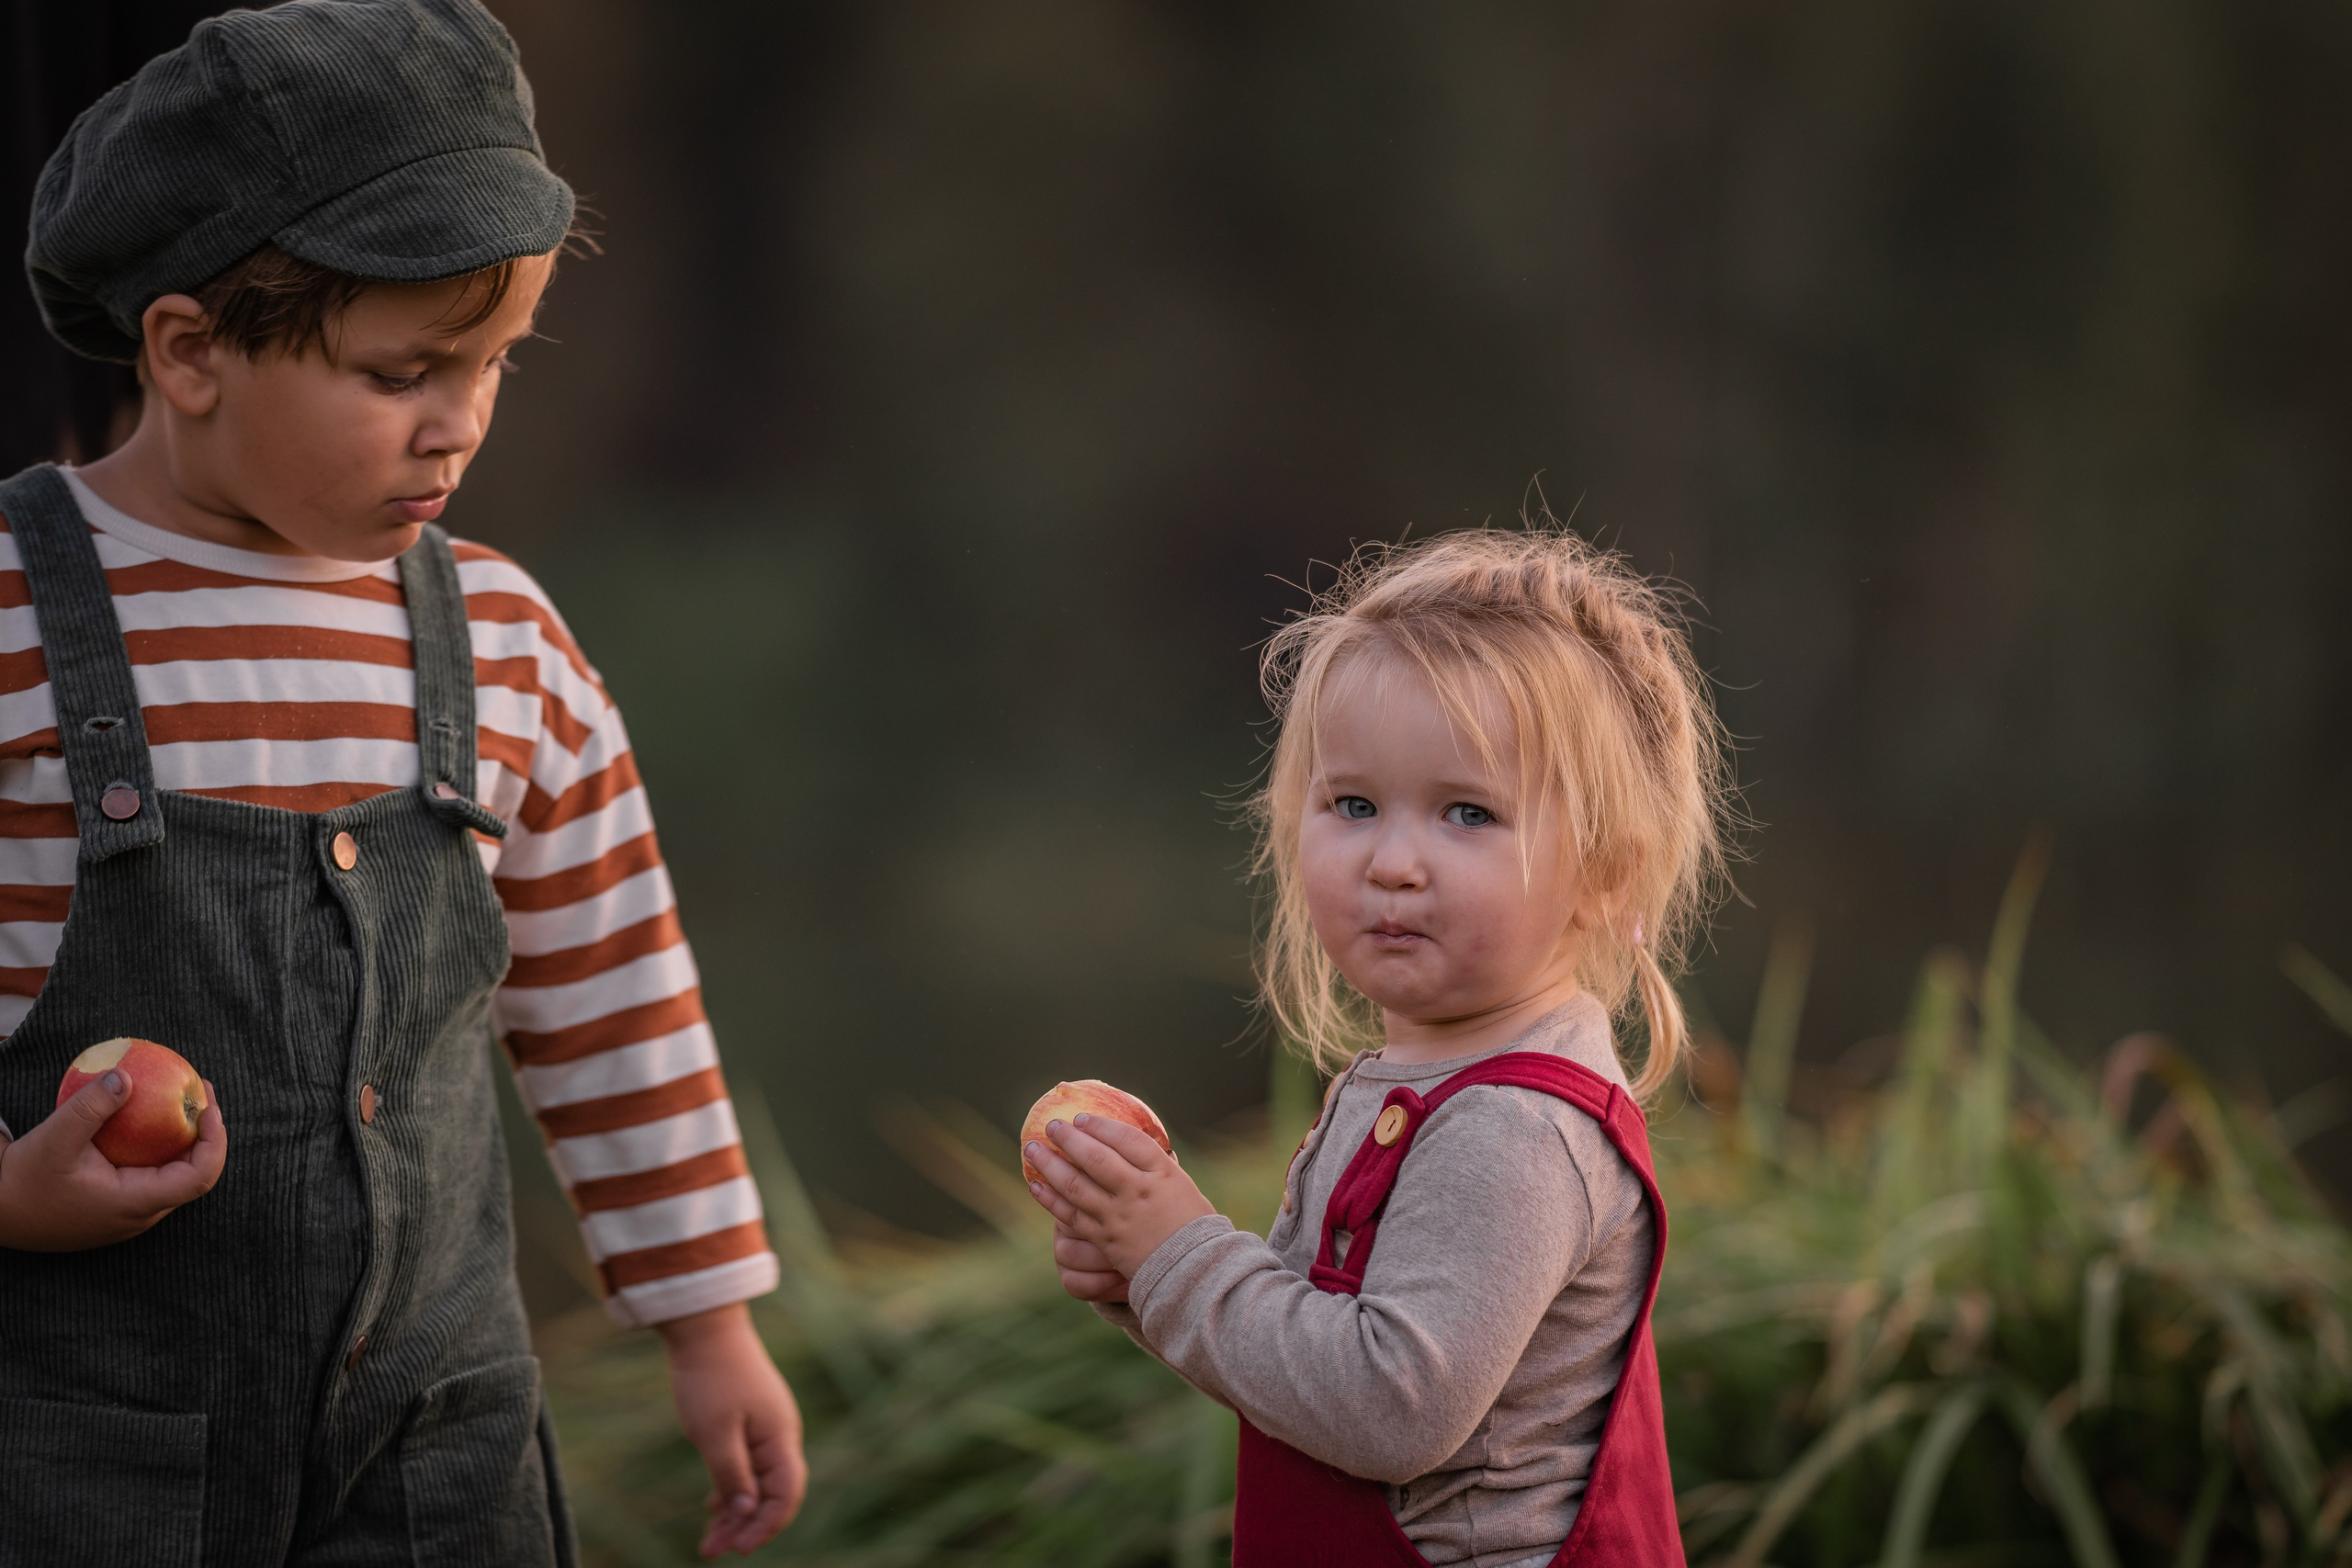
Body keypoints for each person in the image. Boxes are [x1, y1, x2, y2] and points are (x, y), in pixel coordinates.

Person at [0, 3, 803, 1561]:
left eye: (497, 360)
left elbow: (615, 993)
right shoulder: (25, 614)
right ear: (191, 352)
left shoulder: (498, 637)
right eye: (403, 371)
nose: (460, 424)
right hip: (85, 1450)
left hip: (441, 1449)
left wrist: (709, 1324)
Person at [1026, 526, 1730, 1567]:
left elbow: (1387, 1410)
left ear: (1605, 873)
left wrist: (1180, 1251)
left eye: (1466, 814)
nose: (1393, 862)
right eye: (1353, 804)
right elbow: (1301, 1365)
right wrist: (1145, 1280)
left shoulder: (1515, 1130)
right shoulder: (1419, 1085)